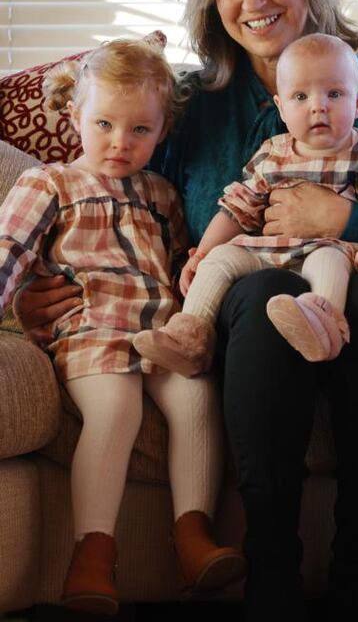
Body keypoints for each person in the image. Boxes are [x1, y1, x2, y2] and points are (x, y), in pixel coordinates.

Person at [18, 0, 358, 622]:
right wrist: (42, 288)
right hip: (245, 310)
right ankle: (272, 572)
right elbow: (125, 206)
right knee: (255, 301)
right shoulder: (196, 107)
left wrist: (346, 218)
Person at [0, 39, 246, 616]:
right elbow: (9, 251)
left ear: (162, 132)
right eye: (105, 123)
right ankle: (92, 555)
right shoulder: (50, 184)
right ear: (76, 116)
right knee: (116, 407)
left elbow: (181, 263)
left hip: (159, 333)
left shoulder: (161, 194)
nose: (120, 142)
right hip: (90, 330)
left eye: (140, 129)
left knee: (196, 400)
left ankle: (192, 537)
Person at [133, 32, 358, 367]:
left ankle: (323, 327)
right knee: (220, 259)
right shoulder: (273, 153)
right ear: (282, 108)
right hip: (270, 251)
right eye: (301, 96)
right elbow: (238, 207)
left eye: (334, 94)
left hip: (330, 246)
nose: (318, 106)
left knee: (328, 263)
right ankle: (190, 338)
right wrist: (202, 253)